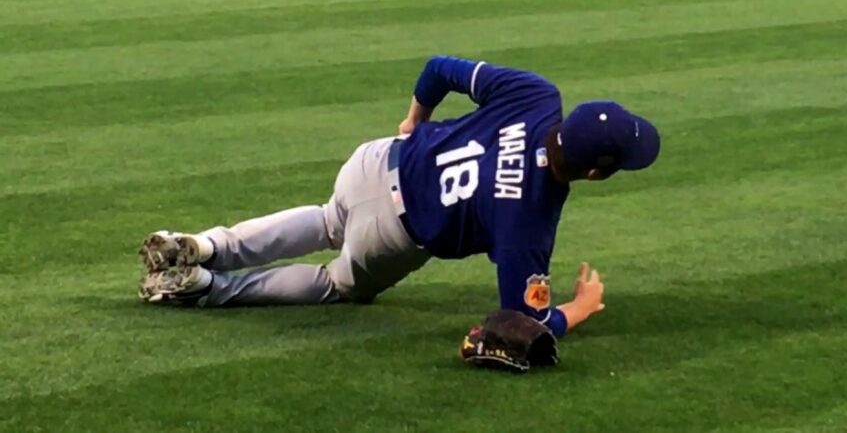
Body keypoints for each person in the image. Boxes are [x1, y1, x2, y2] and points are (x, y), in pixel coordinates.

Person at [137, 56, 661, 339]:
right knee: (338, 284)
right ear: (595, 172)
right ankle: (206, 285)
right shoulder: (530, 222)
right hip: (391, 234)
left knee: (326, 219)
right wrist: (581, 307)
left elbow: (437, 69)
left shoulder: (535, 94)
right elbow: (522, 324)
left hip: (375, 161)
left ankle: (204, 244)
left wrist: (415, 122)